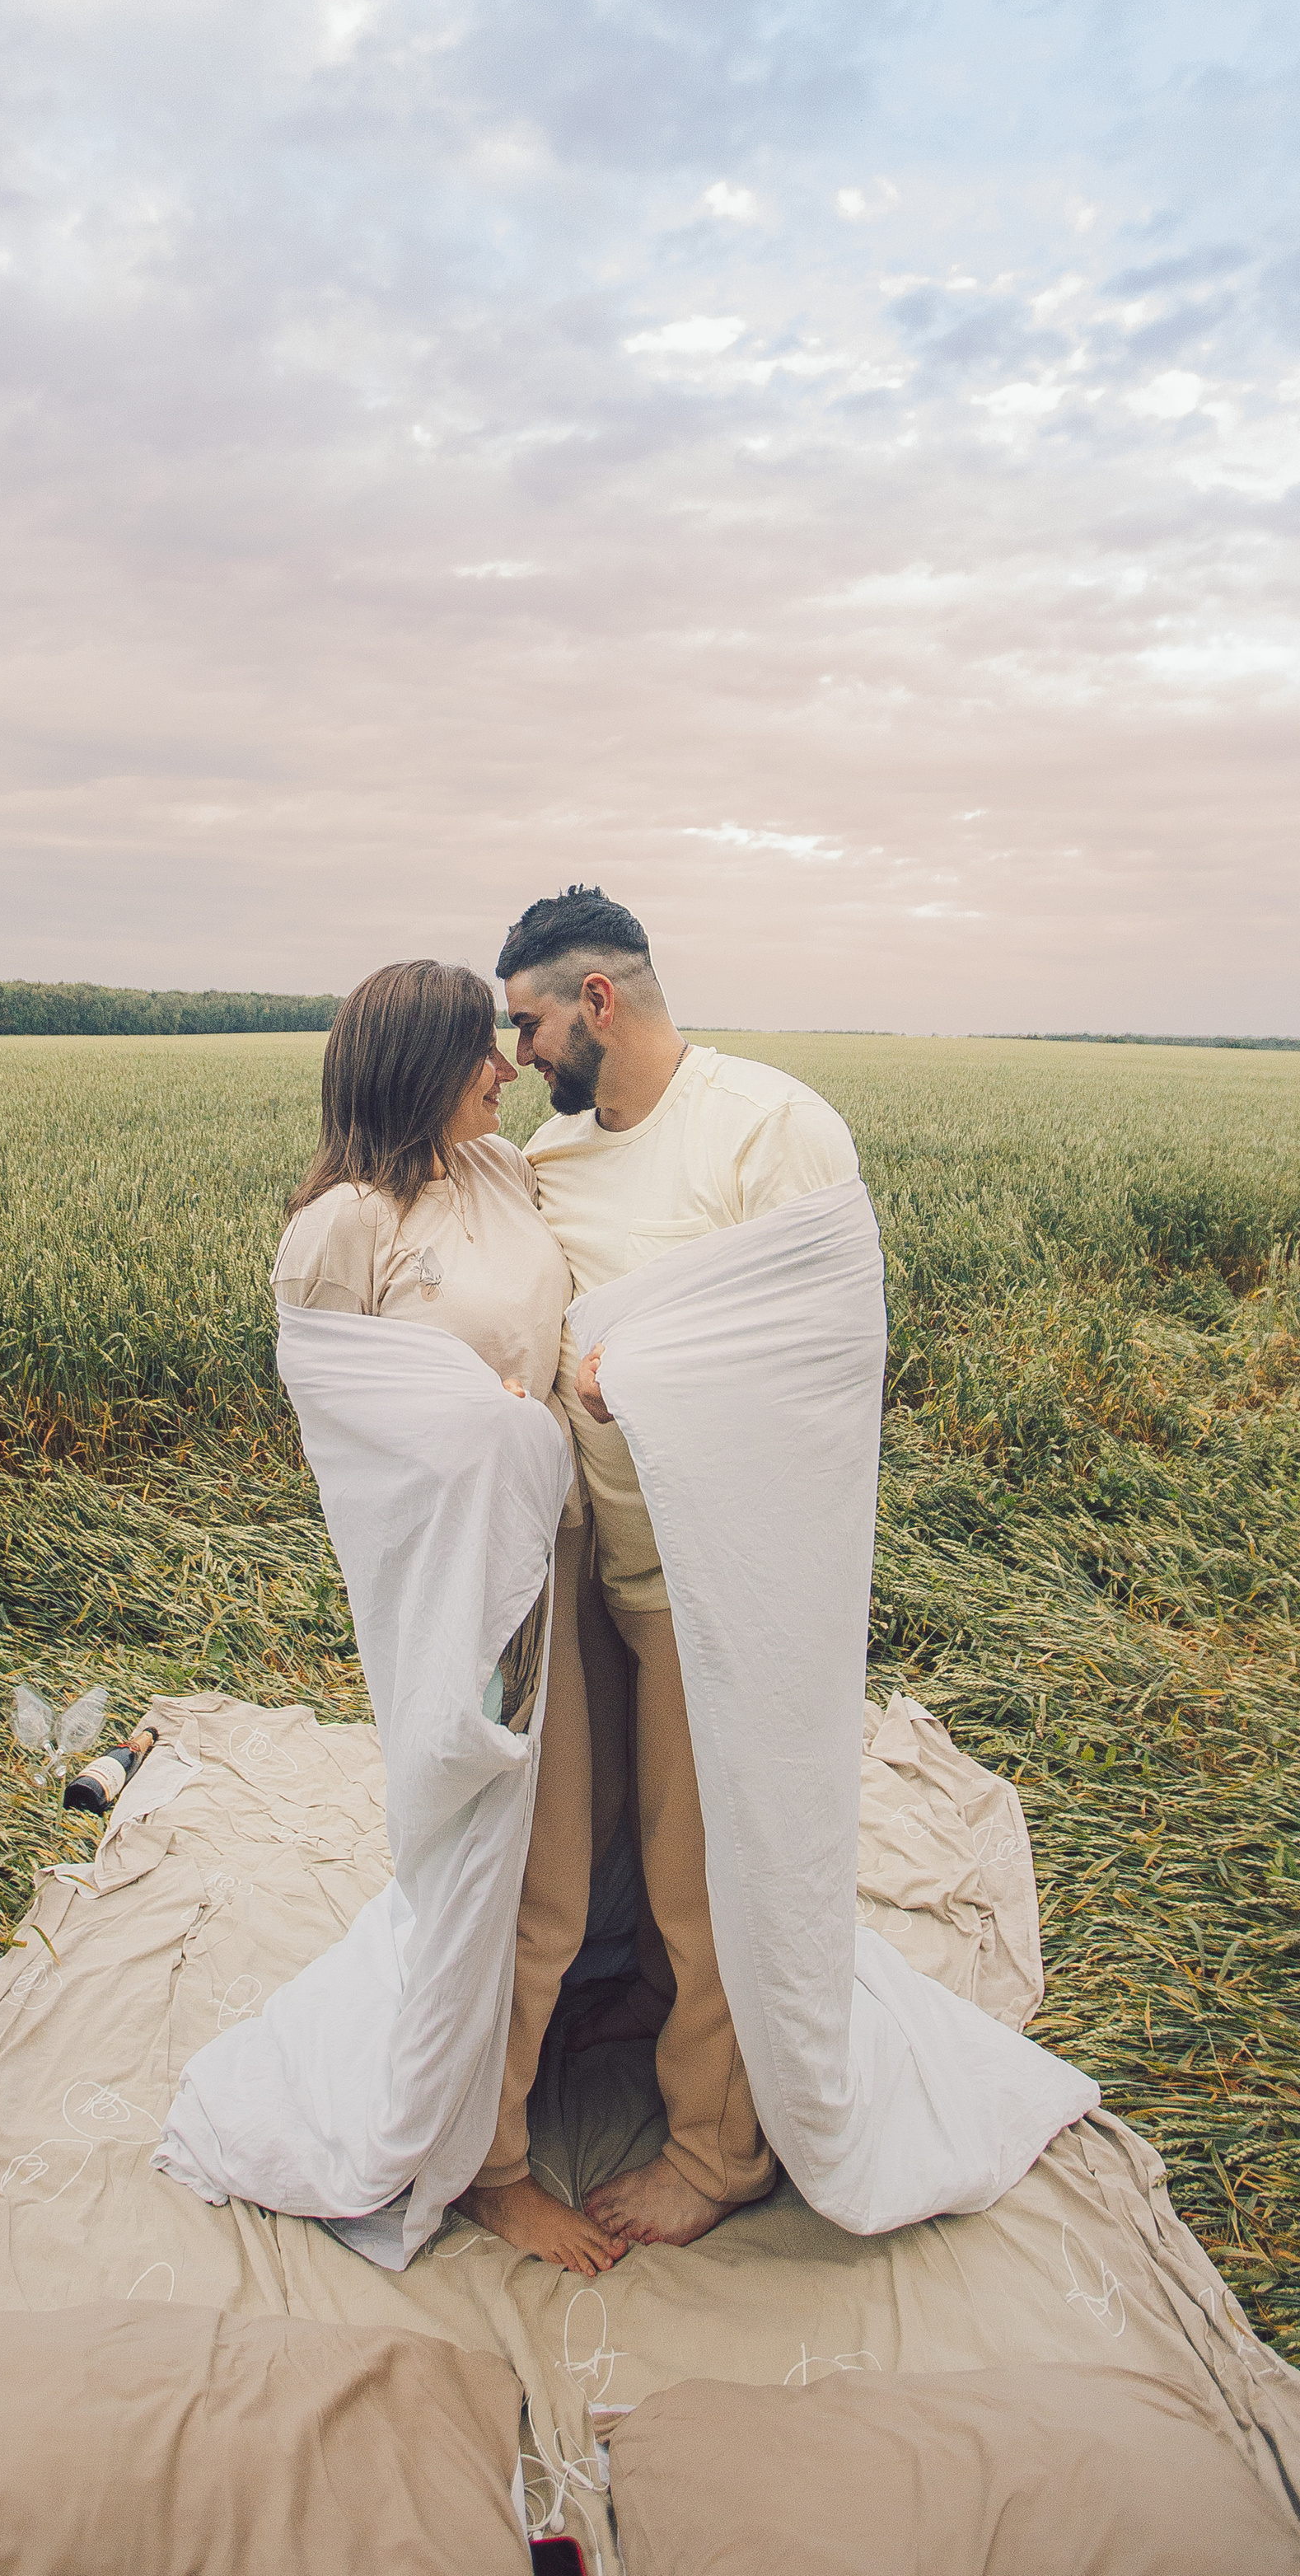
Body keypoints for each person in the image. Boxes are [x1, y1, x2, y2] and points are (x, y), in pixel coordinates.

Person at [499, 885, 861, 2252]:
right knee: (607, 1838)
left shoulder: (771, 1130)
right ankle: (634, 1994)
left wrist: (649, 1379)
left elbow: (827, 1355)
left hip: (717, 1578)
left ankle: (722, 2151)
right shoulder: (559, 1154)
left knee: (708, 1860)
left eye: (530, 1021)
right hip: (588, 1552)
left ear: (597, 1001)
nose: (520, 1051)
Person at [270, 958, 625, 2277]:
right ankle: (487, 2165)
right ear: (414, 1065)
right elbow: (350, 1436)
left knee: (574, 1832)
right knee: (511, 1862)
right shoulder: (344, 1229)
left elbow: (552, 1335)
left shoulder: (503, 1174)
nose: (506, 1065)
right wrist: (486, 1435)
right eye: (481, 1048)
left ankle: (531, 2066)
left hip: (565, 1542)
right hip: (468, 1592)